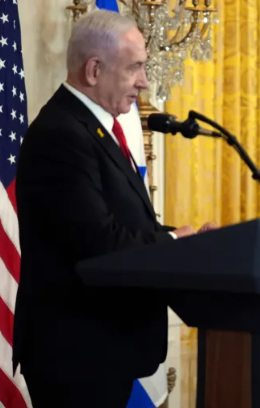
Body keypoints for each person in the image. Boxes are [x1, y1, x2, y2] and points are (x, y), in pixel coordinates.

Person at [13, 10, 215, 408]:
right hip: (75, 355)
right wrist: (175, 242)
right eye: (136, 67)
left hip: (103, 348)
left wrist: (187, 239)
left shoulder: (94, 129)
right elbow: (99, 241)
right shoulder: (60, 134)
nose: (144, 82)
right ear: (93, 70)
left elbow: (128, 223)